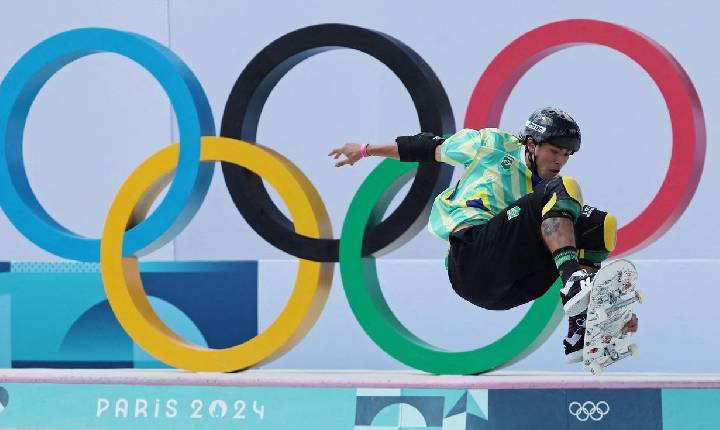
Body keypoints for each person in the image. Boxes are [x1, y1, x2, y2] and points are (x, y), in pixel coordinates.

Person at [329, 107, 638, 363]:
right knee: (564, 189)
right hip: (471, 259)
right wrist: (366, 150)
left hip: (509, 288)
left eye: (567, 154)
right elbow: (428, 147)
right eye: (554, 151)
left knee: (598, 225)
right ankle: (573, 283)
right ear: (531, 144)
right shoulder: (492, 145)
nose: (559, 161)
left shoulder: (546, 190)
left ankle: (581, 328)